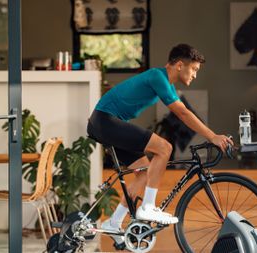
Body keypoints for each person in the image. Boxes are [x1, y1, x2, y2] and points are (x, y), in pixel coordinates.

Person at [87, 43, 233, 244]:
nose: (195, 75)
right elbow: (182, 112)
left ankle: (114, 222)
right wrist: (212, 136)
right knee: (165, 148)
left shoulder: (164, 82)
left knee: (144, 173)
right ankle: (148, 207)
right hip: (105, 121)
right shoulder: (158, 77)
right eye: (195, 70)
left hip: (106, 122)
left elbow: (182, 111)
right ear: (180, 65)